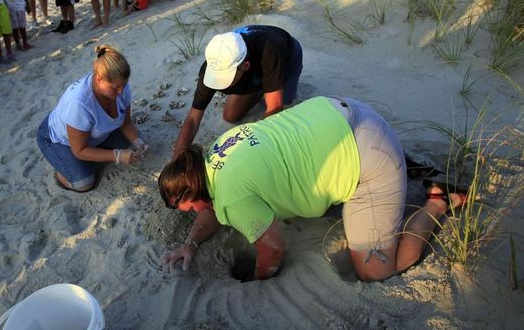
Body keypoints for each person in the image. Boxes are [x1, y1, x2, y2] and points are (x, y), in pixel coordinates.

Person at [159, 96, 471, 282]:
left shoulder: (232, 197)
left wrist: (257, 280)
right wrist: (191, 243)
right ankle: (405, 164)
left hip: (370, 157)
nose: (187, 213)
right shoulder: (216, 151)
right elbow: (210, 209)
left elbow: (274, 250)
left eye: (182, 207)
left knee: (375, 269)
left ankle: (438, 201)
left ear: (191, 193)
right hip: (345, 113)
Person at [173, 25, 303, 157]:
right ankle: (264, 87)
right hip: (252, 67)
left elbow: (275, 107)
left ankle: (269, 85)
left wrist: (246, 147)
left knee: (285, 105)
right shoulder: (213, 64)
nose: (221, 85)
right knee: (230, 116)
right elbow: (194, 118)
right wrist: (176, 161)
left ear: (245, 66)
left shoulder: (269, 51)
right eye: (216, 77)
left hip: (287, 57)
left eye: (225, 78)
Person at [36, 45, 148, 192]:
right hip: (58, 139)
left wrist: (138, 142)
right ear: (99, 79)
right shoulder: (79, 103)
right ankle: (63, 169)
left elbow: (126, 123)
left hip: (91, 137)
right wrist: (116, 155)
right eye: (115, 88)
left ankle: (89, 159)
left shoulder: (120, 86)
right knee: (84, 183)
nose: (121, 91)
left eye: (124, 85)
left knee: (131, 141)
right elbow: (79, 150)